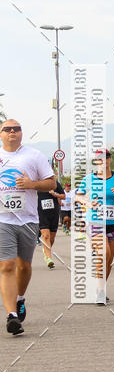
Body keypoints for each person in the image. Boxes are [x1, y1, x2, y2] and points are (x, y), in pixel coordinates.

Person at [0, 119, 56, 335]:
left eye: (16, 129)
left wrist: (32, 184)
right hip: (3, 220)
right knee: (6, 266)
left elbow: (51, 182)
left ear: (21, 133)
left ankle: (20, 298)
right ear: (1, 134)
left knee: (24, 266)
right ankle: (12, 315)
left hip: (28, 220)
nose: (12, 132)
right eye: (7, 129)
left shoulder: (34, 156)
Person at [74, 150, 114, 304]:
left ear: (109, 159)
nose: (103, 160)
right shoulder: (89, 178)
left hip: (113, 223)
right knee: (103, 252)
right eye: (99, 158)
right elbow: (78, 196)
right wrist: (87, 203)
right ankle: (100, 291)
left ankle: (101, 288)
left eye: (106, 157)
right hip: (94, 222)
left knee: (109, 260)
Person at [37, 177, 65, 268]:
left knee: (52, 238)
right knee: (46, 236)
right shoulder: (37, 184)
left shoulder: (55, 183)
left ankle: (46, 250)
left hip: (54, 213)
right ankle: (49, 258)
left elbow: (63, 196)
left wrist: (55, 194)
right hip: (42, 213)